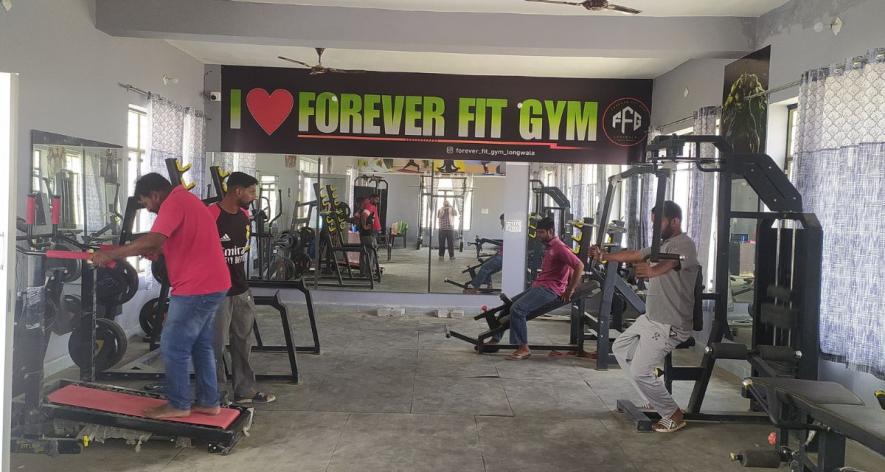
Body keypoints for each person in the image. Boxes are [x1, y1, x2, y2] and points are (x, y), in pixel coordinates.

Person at [92, 173, 230, 419]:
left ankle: (178, 404)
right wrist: (159, 252)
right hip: (214, 283)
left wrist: (113, 254)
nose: (148, 209)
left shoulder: (173, 202)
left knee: (172, 344)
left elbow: (153, 240)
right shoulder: (188, 200)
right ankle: (209, 402)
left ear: (155, 195)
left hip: (196, 288)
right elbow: (175, 242)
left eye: (146, 203)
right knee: (201, 344)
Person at [590, 201, 698, 433]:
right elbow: (636, 254)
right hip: (651, 318)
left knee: (639, 371)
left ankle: (673, 414)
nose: (655, 227)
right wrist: (604, 256)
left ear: (675, 221)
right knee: (619, 347)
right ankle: (651, 389)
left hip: (670, 324)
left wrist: (652, 270)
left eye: (659, 222)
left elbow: (672, 263)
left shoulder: (685, 244)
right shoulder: (662, 244)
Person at [208, 172, 276, 405]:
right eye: (252, 191)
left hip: (241, 289)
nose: (254, 197)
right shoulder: (211, 214)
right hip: (216, 293)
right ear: (238, 191)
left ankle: (244, 389)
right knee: (214, 345)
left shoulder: (245, 216)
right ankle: (215, 395)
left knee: (243, 342)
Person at [490, 216, 584, 360]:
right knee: (507, 305)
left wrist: (569, 290)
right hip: (540, 286)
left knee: (517, 309)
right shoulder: (550, 247)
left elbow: (579, 265)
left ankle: (523, 348)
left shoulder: (559, 247)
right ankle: (494, 340)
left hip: (550, 290)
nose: (538, 236)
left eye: (541, 232)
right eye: (537, 232)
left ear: (550, 231)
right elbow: (569, 268)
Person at [464, 213, 505, 294]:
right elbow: (503, 241)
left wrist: (487, 240)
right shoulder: (510, 231)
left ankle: (474, 288)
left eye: (502, 222)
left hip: (503, 256)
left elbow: (507, 243)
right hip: (501, 254)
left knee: (485, 268)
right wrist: (487, 240)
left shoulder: (511, 231)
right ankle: (489, 285)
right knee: (485, 264)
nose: (501, 224)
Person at [358, 193, 381, 276]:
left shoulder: (371, 206)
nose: (377, 201)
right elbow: (364, 215)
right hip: (368, 234)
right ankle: (368, 272)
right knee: (370, 252)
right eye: (376, 199)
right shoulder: (369, 206)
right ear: (371, 198)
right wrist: (364, 226)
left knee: (369, 252)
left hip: (370, 233)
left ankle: (366, 272)